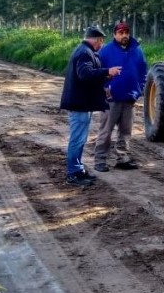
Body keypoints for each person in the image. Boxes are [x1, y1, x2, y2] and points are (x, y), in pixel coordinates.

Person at [60, 26, 122, 186]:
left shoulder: (84, 51)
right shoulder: (84, 53)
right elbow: (85, 74)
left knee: (80, 139)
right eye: (101, 41)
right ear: (95, 39)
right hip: (79, 105)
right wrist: (107, 71)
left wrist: (103, 82)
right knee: (77, 139)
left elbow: (88, 76)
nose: (101, 44)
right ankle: (73, 173)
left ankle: (78, 170)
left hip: (82, 104)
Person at [93, 22, 148, 172]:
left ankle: (122, 159)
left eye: (126, 32)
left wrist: (138, 90)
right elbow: (97, 72)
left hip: (129, 98)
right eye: (121, 33)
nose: (124, 35)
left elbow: (143, 71)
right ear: (115, 35)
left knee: (125, 132)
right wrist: (103, 88)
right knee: (106, 131)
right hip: (111, 99)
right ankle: (100, 160)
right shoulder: (105, 51)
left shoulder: (137, 50)